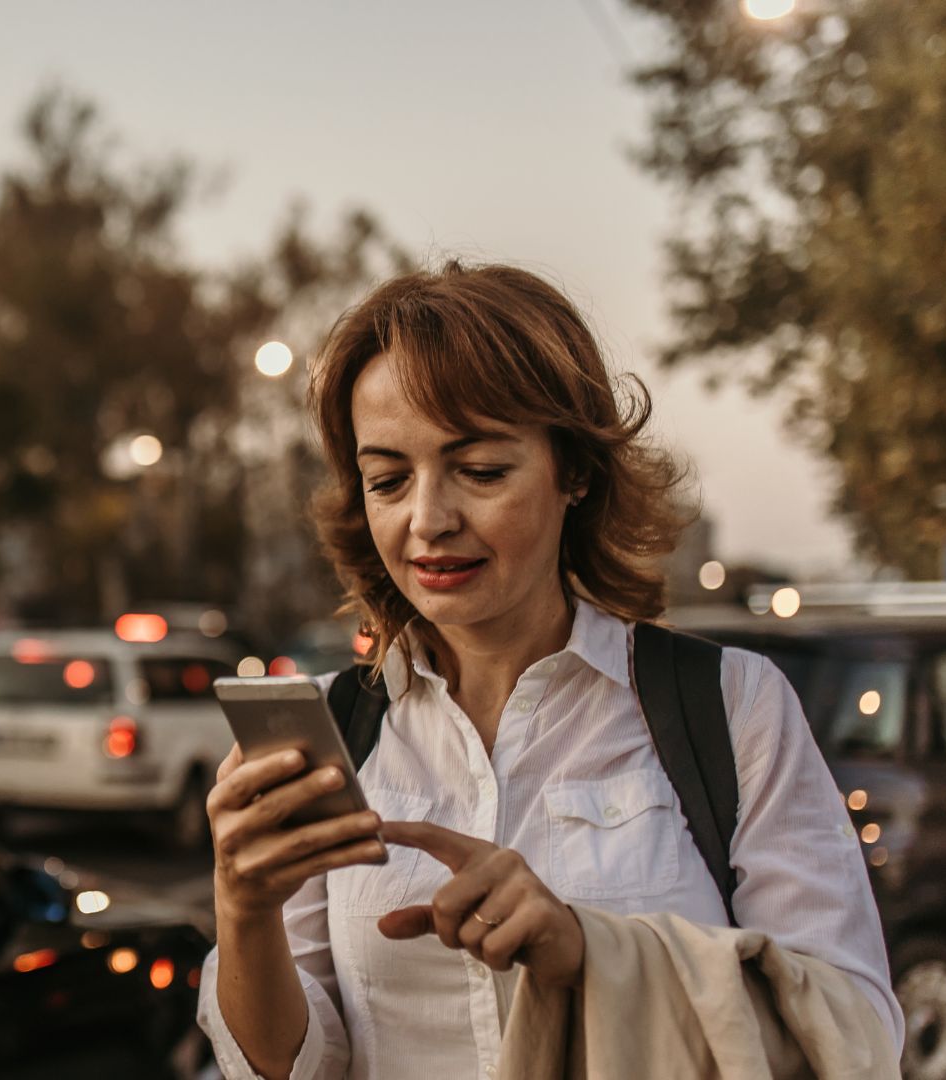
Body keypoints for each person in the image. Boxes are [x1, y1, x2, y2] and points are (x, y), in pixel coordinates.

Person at [196, 262, 901, 1078]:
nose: (428, 519)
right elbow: (292, 1067)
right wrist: (244, 912)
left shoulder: (731, 707)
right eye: (387, 479)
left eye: (481, 471)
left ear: (576, 471)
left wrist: (587, 952)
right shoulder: (336, 733)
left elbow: (857, 1037)